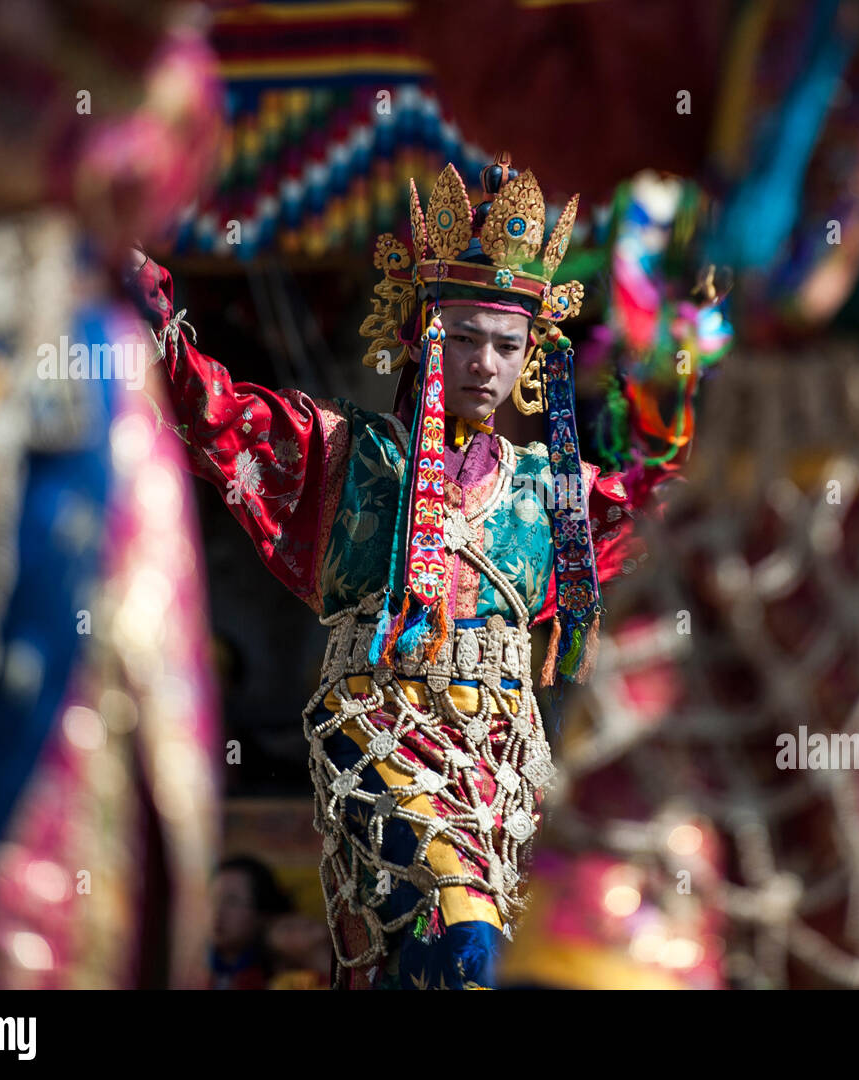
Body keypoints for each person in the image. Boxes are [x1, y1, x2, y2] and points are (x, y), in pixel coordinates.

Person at [126, 157, 683, 989]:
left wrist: (677, 366)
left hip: (502, 747)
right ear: (422, 335)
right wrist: (139, 299)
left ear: (534, 354)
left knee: (451, 965)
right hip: (377, 724)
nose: (486, 366)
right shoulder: (344, 455)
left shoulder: (550, 491)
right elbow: (218, 417)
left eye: (507, 345)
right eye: (464, 338)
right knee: (462, 935)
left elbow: (667, 504)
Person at [209, 856, 292, 990]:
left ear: (262, 913)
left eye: (232, 901)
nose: (217, 912)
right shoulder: (194, 970)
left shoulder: (285, 977)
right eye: (213, 899)